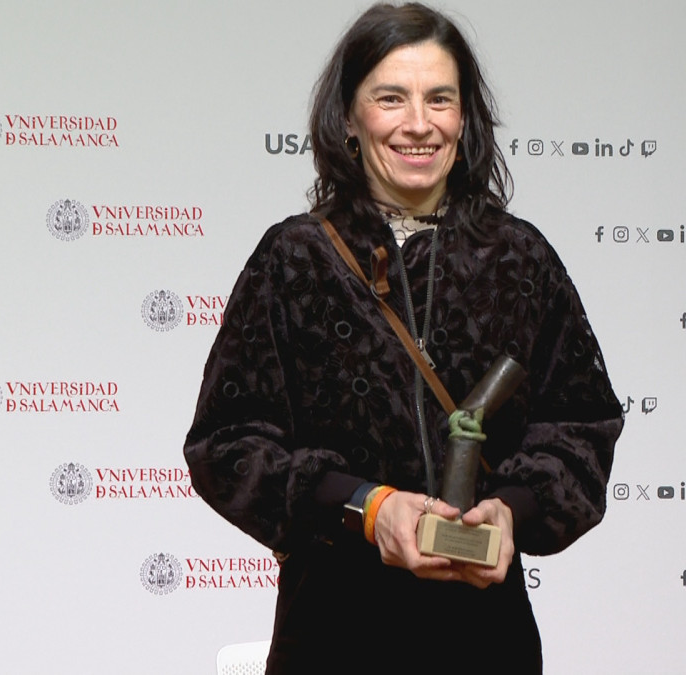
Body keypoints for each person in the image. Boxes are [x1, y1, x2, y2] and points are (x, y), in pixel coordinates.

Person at [182, 3, 623, 672]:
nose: (419, 124)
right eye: (392, 98)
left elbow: (581, 426)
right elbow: (227, 445)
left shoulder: (520, 258)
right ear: (350, 118)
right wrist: (368, 505)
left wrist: (509, 510)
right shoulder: (296, 259)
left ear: (465, 117)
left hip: (487, 639)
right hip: (332, 635)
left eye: (439, 99)